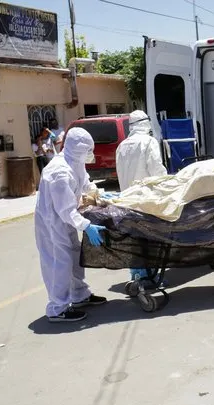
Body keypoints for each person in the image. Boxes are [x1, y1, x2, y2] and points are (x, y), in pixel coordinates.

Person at [35, 128, 108, 322]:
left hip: (64, 218)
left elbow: (84, 182)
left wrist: (97, 192)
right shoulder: (58, 172)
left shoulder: (74, 162)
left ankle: (79, 295)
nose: (89, 155)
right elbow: (65, 210)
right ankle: (57, 308)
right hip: (52, 221)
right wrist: (86, 225)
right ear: (79, 149)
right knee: (60, 261)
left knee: (75, 254)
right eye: (88, 150)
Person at [116, 110, 168, 281]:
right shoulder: (148, 142)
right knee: (150, 238)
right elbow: (156, 170)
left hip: (127, 199)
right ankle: (151, 276)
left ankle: (137, 273)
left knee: (135, 238)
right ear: (145, 123)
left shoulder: (122, 146)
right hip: (146, 199)